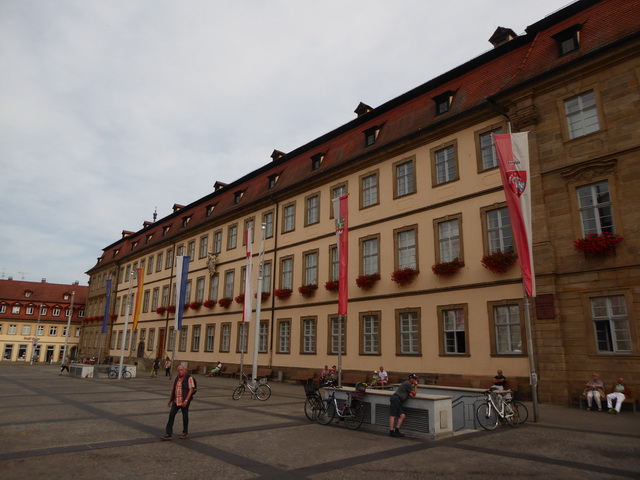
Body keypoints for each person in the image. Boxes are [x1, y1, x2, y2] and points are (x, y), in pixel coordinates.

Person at [161, 365, 195, 440]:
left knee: (185, 417)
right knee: (171, 416)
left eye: (181, 370)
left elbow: (191, 390)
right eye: (179, 370)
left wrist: (186, 400)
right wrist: (170, 400)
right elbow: (173, 389)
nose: (180, 371)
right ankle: (168, 433)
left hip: (184, 402)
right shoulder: (176, 378)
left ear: (184, 370)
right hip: (176, 401)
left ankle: (185, 433)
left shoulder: (189, 378)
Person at [389, 373, 419, 437]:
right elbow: (414, 393)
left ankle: (397, 430)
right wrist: (416, 386)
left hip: (398, 400)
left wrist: (411, 392)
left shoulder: (408, 384)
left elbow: (411, 395)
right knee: (393, 415)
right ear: (410, 379)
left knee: (402, 416)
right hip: (396, 399)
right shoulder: (408, 383)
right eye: (414, 379)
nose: (415, 380)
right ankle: (391, 431)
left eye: (415, 379)